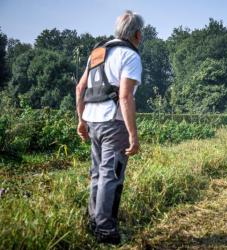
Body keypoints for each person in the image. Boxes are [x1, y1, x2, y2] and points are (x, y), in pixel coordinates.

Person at [75, 10, 143, 244]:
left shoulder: (97, 53)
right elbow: (125, 97)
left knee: (98, 173)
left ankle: (94, 221)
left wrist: (81, 120)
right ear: (137, 34)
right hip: (114, 123)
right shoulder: (130, 56)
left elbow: (79, 88)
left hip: (93, 121)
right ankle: (105, 230)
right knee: (110, 175)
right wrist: (133, 135)